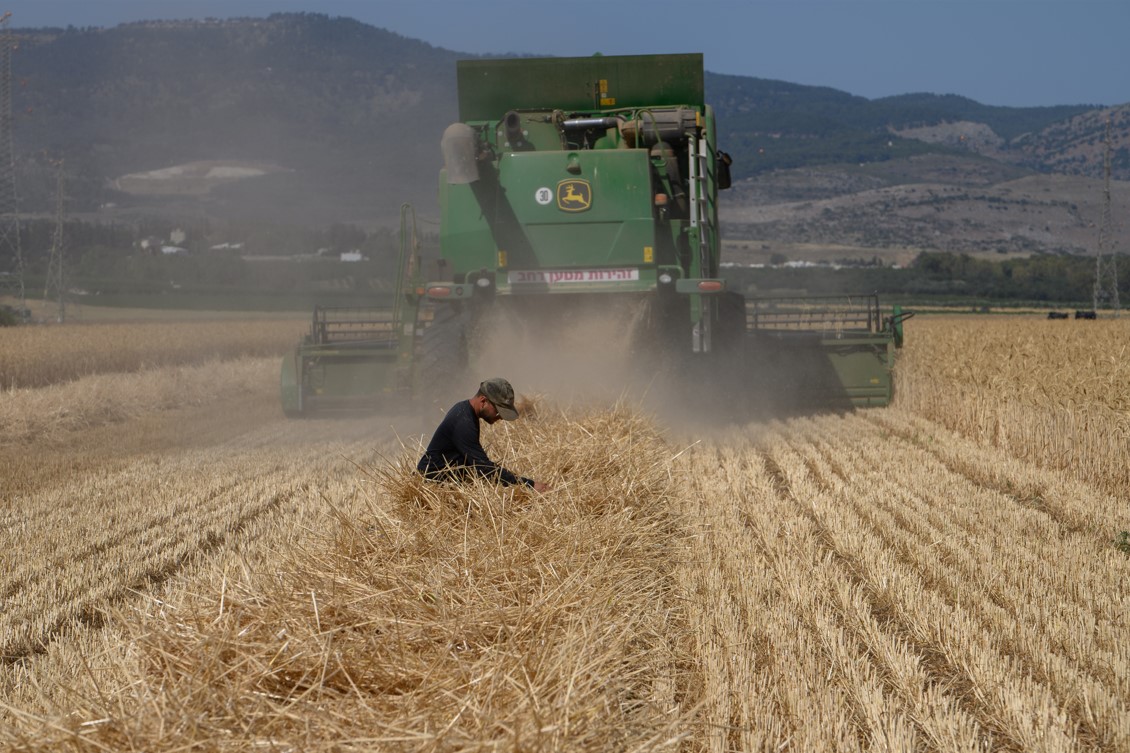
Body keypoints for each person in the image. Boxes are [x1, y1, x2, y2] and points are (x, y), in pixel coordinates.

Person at [417, 378, 549, 492]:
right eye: (499, 411)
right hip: (432, 486)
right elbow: (484, 468)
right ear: (483, 401)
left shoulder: (464, 410)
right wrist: (528, 485)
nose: (501, 417)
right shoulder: (464, 422)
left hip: (446, 484)